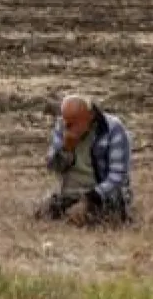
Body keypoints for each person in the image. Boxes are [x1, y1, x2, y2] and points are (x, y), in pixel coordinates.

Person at [36, 95, 134, 227]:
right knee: (43, 213)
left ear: (90, 116)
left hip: (102, 194)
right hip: (71, 192)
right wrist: (66, 149)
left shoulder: (113, 129)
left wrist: (89, 199)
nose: (67, 126)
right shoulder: (62, 126)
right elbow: (53, 168)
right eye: (66, 121)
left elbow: (118, 176)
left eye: (73, 122)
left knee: (93, 218)